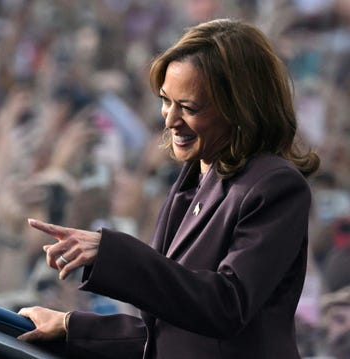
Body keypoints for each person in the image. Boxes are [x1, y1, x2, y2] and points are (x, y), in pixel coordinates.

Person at [17, 18, 320, 359]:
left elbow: (226, 306)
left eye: (188, 107)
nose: (170, 119)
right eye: (166, 100)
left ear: (240, 108)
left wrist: (113, 253)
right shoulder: (191, 182)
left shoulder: (275, 186)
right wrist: (73, 326)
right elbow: (168, 336)